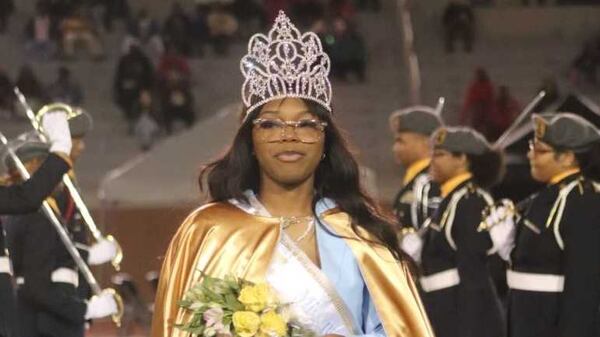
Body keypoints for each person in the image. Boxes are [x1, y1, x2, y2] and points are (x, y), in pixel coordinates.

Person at [151, 11, 434, 337]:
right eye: (270, 123)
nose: (289, 135)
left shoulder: (362, 235)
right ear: (251, 140)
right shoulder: (210, 230)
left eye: (306, 124)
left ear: (325, 139)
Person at [484, 113, 600, 337]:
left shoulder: (584, 202)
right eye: (531, 146)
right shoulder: (544, 197)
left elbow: (585, 287)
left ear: (567, 157)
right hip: (527, 321)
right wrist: (510, 250)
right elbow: (543, 259)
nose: (530, 155)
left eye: (540, 150)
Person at [3, 113, 119, 337]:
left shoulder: (43, 211)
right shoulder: (36, 214)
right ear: (35, 168)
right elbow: (37, 285)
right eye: (48, 167)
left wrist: (87, 255)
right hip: (47, 324)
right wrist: (84, 309)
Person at [415, 127, 505, 337]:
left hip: (460, 315)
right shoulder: (453, 198)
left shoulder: (470, 202)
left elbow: (475, 275)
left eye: (440, 155)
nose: (432, 161)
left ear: (462, 159)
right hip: (443, 308)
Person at [389, 106, 443, 263]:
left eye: (401, 141)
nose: (395, 148)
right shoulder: (416, 180)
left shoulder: (432, 182)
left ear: (426, 142)